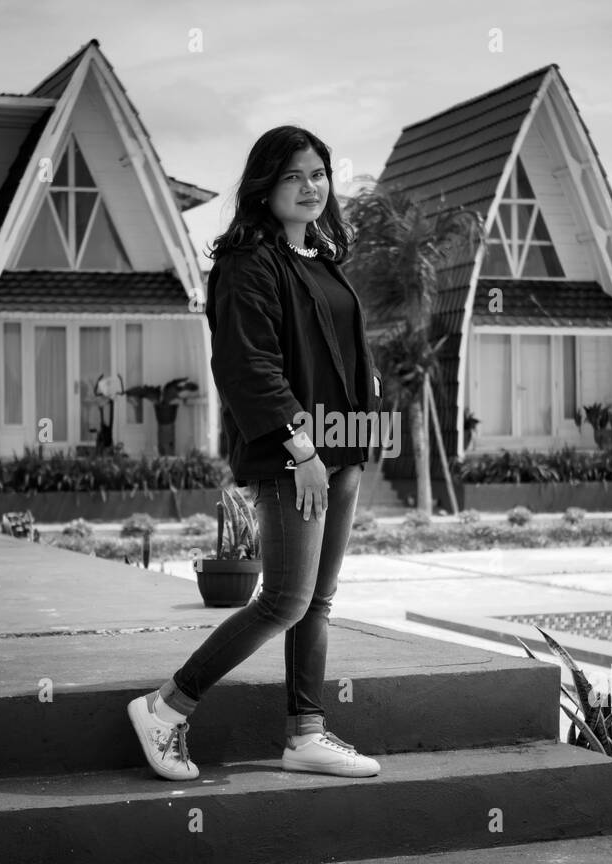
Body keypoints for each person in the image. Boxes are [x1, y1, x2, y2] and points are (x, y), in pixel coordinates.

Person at [128, 126, 384, 781]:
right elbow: (247, 364)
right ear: (265, 185)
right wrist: (300, 447)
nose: (310, 186)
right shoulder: (249, 261)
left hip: (341, 451)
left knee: (316, 602)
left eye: (319, 173)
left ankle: (305, 736)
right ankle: (166, 707)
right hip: (295, 458)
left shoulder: (321, 259)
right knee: (285, 600)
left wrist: (358, 428)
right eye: (294, 175)